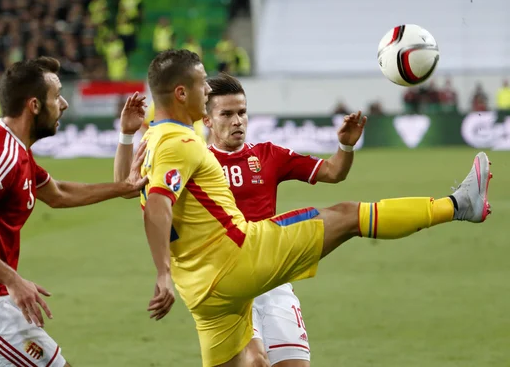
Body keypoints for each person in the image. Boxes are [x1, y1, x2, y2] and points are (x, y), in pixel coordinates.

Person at [120, 50, 493, 367]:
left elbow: (127, 187)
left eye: (241, 112)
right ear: (184, 94)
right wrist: (161, 272)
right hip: (239, 259)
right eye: (203, 85)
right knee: (347, 216)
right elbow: (157, 206)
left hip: (202, 290)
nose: (209, 92)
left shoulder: (153, 139)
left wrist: (125, 136)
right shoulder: (183, 143)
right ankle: (459, 205)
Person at [115, 72, 366, 367]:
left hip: (273, 279)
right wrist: (126, 136)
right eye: (227, 114)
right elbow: (128, 188)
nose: (237, 121)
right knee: (255, 361)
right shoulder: (190, 159)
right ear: (207, 120)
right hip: (227, 283)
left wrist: (346, 146)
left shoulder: (268, 155)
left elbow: (334, 172)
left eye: (242, 112)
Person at [0, 57, 148, 367]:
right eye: (56, 96)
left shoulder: (15, 150)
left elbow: (57, 194)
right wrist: (14, 281)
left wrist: (122, 188)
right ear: (34, 105)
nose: (64, 104)